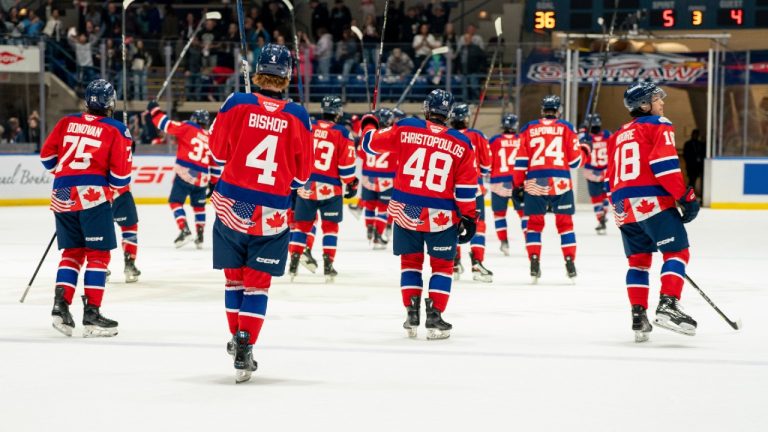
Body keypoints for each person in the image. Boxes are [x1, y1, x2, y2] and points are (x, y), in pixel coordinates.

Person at [208, 44, 313, 383]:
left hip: (231, 203)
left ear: (258, 72)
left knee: (233, 279)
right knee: (257, 284)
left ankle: (237, 337)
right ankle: (245, 343)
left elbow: (217, 153)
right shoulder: (297, 114)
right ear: (287, 76)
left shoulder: (236, 102)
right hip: (271, 210)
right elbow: (302, 176)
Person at [361, 89, 478, 340]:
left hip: (406, 208)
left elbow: (368, 145)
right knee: (443, 266)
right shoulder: (462, 142)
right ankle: (434, 317)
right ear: (448, 113)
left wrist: (371, 123)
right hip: (441, 213)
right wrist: (469, 216)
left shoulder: (407, 127)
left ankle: (411, 314)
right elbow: (466, 189)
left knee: (410, 262)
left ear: (426, 108)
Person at [606, 82, 700, 342]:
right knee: (677, 252)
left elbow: (609, 176)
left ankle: (639, 316)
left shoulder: (616, 135)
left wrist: (618, 207)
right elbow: (665, 165)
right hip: (652, 201)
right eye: (657, 98)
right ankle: (668, 305)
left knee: (638, 262)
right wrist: (684, 197)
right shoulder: (659, 124)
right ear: (644, 105)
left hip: (623, 205)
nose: (662, 102)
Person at [39, 79, 132, 338]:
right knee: (98, 255)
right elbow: (120, 179)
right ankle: (91, 314)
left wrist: (69, 176)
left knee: (72, 252)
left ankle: (60, 308)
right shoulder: (117, 129)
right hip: (92, 196)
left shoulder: (66, 122)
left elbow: (47, 158)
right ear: (110, 103)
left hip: (62, 192)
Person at [513, 95, 589, 282]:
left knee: (534, 226)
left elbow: (521, 161)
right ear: (558, 110)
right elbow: (575, 161)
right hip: (560, 181)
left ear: (542, 110)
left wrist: (517, 184)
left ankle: (534, 261)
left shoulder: (528, 128)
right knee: (565, 225)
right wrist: (585, 149)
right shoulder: (566, 127)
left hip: (535, 181)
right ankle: (570, 261)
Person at [288, 95, 357, 281]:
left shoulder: (308, 127)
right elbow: (346, 167)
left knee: (301, 226)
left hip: (307, 183)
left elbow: (296, 153)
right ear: (338, 112)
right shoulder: (342, 132)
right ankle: (329, 264)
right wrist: (351, 182)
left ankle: (294, 262)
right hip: (330, 186)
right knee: (330, 228)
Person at [149, 103, 219, 248]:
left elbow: (164, 124)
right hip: (203, 177)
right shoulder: (211, 137)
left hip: (188, 172)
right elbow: (215, 164)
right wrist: (213, 183)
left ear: (194, 119)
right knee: (199, 207)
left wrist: (154, 110)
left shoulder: (188, 127)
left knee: (175, 201)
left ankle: (184, 229)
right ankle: (200, 237)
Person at [449, 103, 493, 282]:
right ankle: (477, 262)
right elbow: (486, 166)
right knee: (478, 225)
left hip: (450, 190)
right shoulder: (477, 136)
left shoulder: (445, 135)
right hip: (472, 189)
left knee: (453, 225)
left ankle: (454, 261)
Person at [489, 113, 527, 256]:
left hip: (499, 181)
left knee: (499, 215)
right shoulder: (521, 139)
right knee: (523, 214)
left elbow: (488, 161)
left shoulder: (494, 140)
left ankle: (504, 243)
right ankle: (529, 240)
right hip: (518, 180)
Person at [359, 108, 396, 249]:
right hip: (386, 178)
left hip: (368, 176)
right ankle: (378, 234)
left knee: (369, 204)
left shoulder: (368, 135)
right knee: (382, 207)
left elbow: (361, 154)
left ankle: (369, 227)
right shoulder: (391, 134)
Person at [580, 113, 612, 234]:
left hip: (592, 172)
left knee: (596, 198)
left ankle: (600, 217)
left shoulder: (586, 138)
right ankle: (603, 214)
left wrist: (582, 130)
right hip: (605, 171)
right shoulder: (608, 135)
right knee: (605, 196)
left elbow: (578, 142)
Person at [683, 129, 705, 193]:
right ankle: (690, 194)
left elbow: (703, 154)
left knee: (702, 180)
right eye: (694, 134)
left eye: (696, 134)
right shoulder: (688, 144)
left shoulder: (700, 144)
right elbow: (686, 155)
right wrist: (689, 163)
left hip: (700, 166)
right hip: (691, 166)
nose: (695, 136)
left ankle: (701, 194)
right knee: (692, 180)